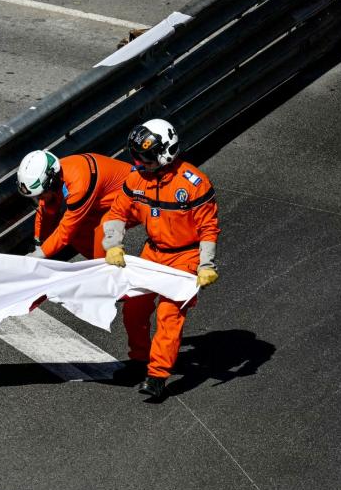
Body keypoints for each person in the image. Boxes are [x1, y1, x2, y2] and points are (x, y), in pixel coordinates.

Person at [101, 119, 221, 398]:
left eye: (146, 156)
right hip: (152, 254)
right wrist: (113, 245)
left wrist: (206, 264)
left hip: (186, 258)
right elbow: (117, 213)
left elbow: (208, 228)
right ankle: (139, 360)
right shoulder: (136, 180)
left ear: (166, 150)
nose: (141, 162)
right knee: (133, 310)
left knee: (169, 315)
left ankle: (157, 375)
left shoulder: (195, 184)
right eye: (138, 156)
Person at [17, 150, 132, 259]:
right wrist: (39, 241)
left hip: (134, 198)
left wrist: (39, 254)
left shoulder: (78, 185)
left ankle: (106, 269)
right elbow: (47, 211)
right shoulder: (57, 173)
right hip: (110, 200)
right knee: (78, 232)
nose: (39, 200)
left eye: (40, 195)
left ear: (52, 184)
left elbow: (65, 232)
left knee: (102, 232)